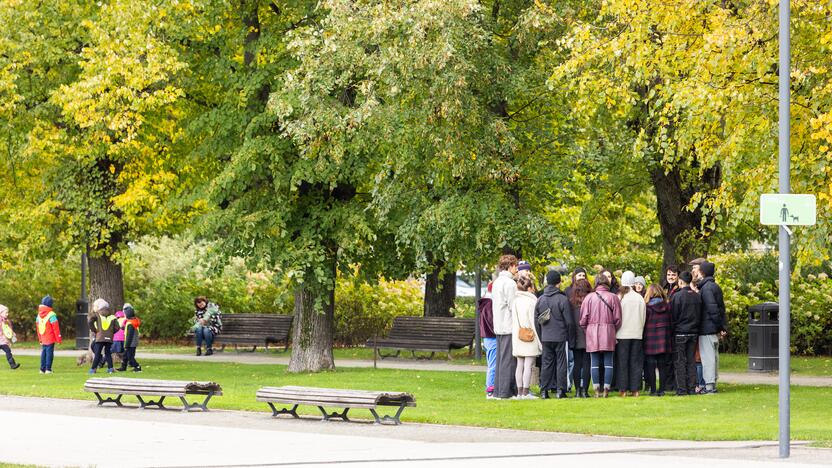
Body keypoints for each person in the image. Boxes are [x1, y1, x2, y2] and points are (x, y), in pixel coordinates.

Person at [580, 274, 622, 398]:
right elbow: (618, 319)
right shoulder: (613, 297)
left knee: (594, 363)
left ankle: (597, 390)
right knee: (609, 362)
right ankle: (606, 389)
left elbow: (583, 319)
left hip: (592, 332)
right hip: (609, 331)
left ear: (596, 283)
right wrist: (612, 329)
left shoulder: (589, 298)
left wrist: (587, 329)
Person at [535, 270, 575, 399]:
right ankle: (560, 390)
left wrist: (541, 335)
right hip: (560, 336)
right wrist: (570, 336)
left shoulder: (540, 299)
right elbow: (569, 322)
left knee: (546, 363)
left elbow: (536, 321)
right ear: (559, 282)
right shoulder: (562, 299)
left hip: (546, 336)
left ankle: (544, 390)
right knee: (561, 363)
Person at [696, 261, 728, 394]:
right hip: (713, 328)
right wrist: (722, 326)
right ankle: (712, 384)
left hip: (707, 328)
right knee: (713, 357)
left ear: (702, 272)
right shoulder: (715, 286)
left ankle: (709, 386)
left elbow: (713, 309)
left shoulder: (706, 288)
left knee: (708, 358)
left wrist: (719, 325)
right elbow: (721, 309)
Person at [491, 255, 519, 399]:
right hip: (508, 325)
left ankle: (498, 390)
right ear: (510, 266)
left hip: (499, 324)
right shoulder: (510, 283)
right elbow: (512, 305)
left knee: (501, 359)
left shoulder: (497, 282)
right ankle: (506, 392)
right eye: (515, 266)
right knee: (508, 360)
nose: (517, 269)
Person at [671, 271, 702, 395]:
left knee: (680, 361)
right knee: (691, 361)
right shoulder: (697, 296)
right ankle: (691, 387)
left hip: (680, 333)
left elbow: (673, 316)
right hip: (693, 333)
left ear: (681, 281)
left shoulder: (677, 297)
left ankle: (682, 389)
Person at [616, 271, 646, 397]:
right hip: (637, 333)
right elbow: (643, 317)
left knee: (623, 362)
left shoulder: (620, 297)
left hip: (622, 334)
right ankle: (635, 389)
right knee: (636, 362)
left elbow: (616, 317)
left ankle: (623, 389)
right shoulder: (639, 298)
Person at [512, 276, 542, 399]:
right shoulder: (532, 301)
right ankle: (526, 391)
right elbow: (533, 322)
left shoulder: (515, 301)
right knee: (528, 365)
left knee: (519, 365)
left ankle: (519, 392)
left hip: (518, 335)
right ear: (529, 288)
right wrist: (540, 341)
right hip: (530, 336)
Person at [643, 284, 672, 396]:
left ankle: (653, 390)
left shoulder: (647, 307)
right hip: (663, 339)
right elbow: (671, 322)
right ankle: (662, 389)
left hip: (650, 338)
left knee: (650, 366)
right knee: (662, 366)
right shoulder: (667, 306)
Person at [568, 278, 593, 398]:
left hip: (576, 336)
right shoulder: (591, 302)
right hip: (588, 336)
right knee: (587, 363)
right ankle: (585, 391)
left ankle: (577, 390)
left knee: (577, 363)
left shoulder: (571, 302)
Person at [88, 298, 120, 374]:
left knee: (98, 353)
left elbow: (90, 322)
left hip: (100, 337)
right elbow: (117, 328)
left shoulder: (97, 315)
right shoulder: (113, 317)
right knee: (108, 353)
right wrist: (111, 333)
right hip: (109, 338)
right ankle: (110, 368)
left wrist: (94, 330)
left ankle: (93, 369)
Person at [478, 282, 497, 398]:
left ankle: (491, 387)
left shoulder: (486, 303)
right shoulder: (489, 305)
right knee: (493, 365)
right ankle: (490, 388)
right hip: (491, 337)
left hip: (488, 337)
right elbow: (492, 322)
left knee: (492, 363)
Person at [36, 295, 61, 374]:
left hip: (43, 338)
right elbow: (56, 328)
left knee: (43, 353)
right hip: (50, 338)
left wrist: (40, 338)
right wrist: (59, 339)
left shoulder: (38, 315)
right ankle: (48, 369)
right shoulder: (52, 315)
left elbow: (38, 329)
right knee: (49, 353)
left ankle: (42, 369)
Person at [117, 303, 142, 372]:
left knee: (130, 357)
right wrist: (124, 328)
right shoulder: (133, 322)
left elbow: (129, 335)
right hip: (133, 342)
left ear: (127, 314)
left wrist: (126, 345)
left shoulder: (130, 324)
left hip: (130, 343)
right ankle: (123, 367)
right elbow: (128, 329)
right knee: (125, 356)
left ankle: (137, 366)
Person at [0, 305, 21, 369]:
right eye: (5, 312)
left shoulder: (7, 321)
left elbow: (9, 330)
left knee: (8, 351)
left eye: (7, 312)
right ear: (0, 312)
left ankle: (12, 365)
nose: (7, 314)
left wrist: (13, 335)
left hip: (3, 341)